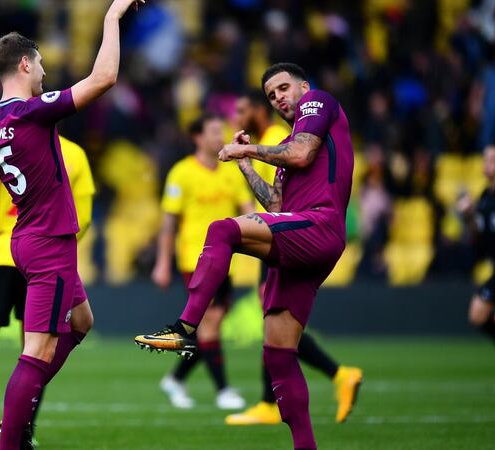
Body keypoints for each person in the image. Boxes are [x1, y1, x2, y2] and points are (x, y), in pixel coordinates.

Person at [135, 63, 354, 450]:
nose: (279, 98)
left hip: (318, 227)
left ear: (304, 85)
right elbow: (275, 202)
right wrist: (245, 164)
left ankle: (184, 330)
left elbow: (300, 154)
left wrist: (247, 146)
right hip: (303, 239)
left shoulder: (318, 104)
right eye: (272, 95)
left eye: (284, 88)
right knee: (278, 355)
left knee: (223, 229)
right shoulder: (289, 154)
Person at [0, 2, 143, 447]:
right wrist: (111, 18)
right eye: (42, 63)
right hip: (49, 242)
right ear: (25, 63)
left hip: (27, 239)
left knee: (82, 322)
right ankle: (15, 435)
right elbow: (103, 79)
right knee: (38, 351)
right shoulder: (33, 110)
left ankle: (22, 404)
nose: (45, 72)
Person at [0, 136, 95, 447]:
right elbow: (83, 216)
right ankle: (24, 428)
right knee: (40, 347)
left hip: (2, 253)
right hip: (48, 255)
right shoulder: (74, 153)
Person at [227, 91, 363, 426]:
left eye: (243, 109)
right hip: (286, 227)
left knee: (274, 319)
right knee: (273, 321)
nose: (238, 116)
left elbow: (280, 204)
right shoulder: (272, 137)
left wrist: (246, 153)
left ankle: (274, 399)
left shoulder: (279, 137)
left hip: (294, 231)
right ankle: (326, 378)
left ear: (259, 112)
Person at [151, 113, 252, 410]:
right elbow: (168, 224)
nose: (220, 136)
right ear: (197, 137)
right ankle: (223, 390)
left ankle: (176, 379)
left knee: (209, 328)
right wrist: (162, 263)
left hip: (226, 263)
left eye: (222, 130)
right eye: (214, 131)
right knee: (209, 325)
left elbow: (248, 210)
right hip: (194, 260)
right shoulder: (181, 173)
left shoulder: (231, 172)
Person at [459, 145, 495, 343]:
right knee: (477, 315)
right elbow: (477, 234)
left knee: (478, 312)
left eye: (491, 159)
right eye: (485, 159)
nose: (486, 164)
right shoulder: (485, 198)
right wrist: (468, 216)